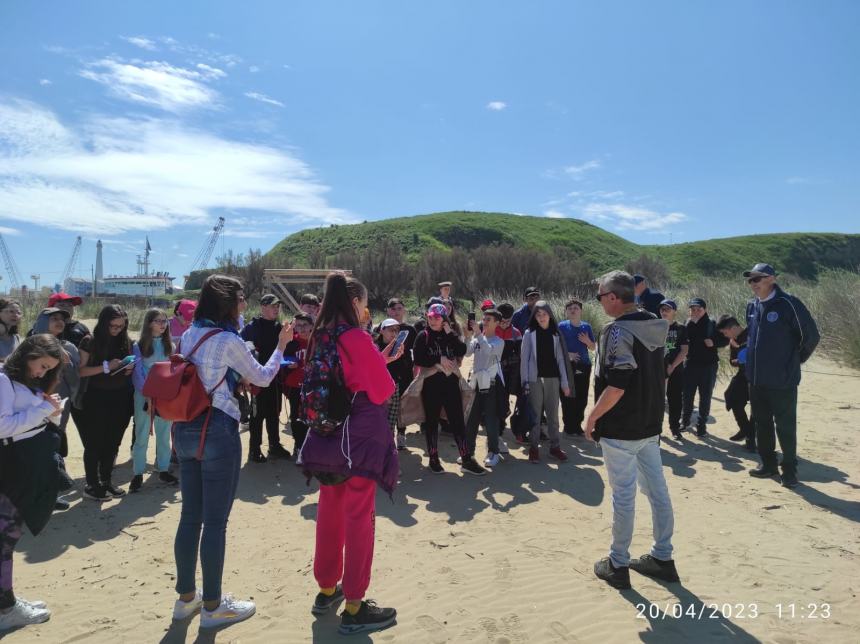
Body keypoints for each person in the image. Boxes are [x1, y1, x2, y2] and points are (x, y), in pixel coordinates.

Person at [171, 275, 292, 628]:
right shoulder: (227, 338)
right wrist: (282, 345)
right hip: (218, 429)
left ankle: (186, 599)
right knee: (215, 523)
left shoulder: (191, 333)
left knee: (190, 516)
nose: (244, 304)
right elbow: (265, 377)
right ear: (227, 303)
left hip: (185, 427)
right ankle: (212, 607)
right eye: (240, 298)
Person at [296, 272, 399, 635]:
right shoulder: (355, 336)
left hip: (325, 437)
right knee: (359, 516)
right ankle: (355, 604)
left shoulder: (320, 335)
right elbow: (382, 388)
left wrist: (374, 358)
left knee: (330, 510)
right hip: (357, 442)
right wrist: (376, 359)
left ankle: (327, 588)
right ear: (355, 303)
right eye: (365, 304)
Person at [586, 270, 678, 590]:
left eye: (600, 296)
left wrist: (592, 417)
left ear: (613, 297)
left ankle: (618, 562)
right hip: (650, 424)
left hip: (622, 428)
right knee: (658, 492)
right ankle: (663, 557)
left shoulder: (616, 331)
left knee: (624, 496)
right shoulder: (654, 323)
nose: (599, 302)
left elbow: (617, 385)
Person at [0, 335, 66, 631]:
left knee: (8, 536)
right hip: (13, 466)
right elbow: (3, 426)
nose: (41, 372)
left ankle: (7, 601)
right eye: (42, 365)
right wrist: (43, 410)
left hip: (23, 465)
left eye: (48, 369)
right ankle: (6, 608)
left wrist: (48, 411)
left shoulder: (21, 382)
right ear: (29, 354)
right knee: (6, 537)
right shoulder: (3, 379)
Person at [743, 263, 819, 488]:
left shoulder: (789, 304)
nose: (753, 284)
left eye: (758, 279)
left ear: (772, 279)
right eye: (750, 280)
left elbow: (810, 336)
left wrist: (794, 362)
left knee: (785, 426)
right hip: (756, 380)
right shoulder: (752, 306)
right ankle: (768, 465)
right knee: (762, 424)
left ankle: (789, 471)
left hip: (782, 380)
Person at [70, 305, 135, 501]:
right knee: (95, 443)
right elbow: (80, 371)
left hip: (121, 396)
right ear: (104, 322)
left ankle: (106, 482)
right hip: (95, 397)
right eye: (113, 326)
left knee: (113, 442)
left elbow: (127, 362)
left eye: (121, 326)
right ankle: (92, 485)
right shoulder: (90, 341)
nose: (116, 330)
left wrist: (128, 367)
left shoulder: (126, 341)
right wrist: (106, 366)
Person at [412, 303, 485, 475]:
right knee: (431, 422)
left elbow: (461, 349)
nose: (432, 320)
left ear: (444, 319)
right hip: (431, 385)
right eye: (430, 317)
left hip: (451, 384)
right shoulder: (423, 336)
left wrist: (449, 333)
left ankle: (466, 459)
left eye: (437, 318)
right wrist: (439, 359)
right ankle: (433, 458)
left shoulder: (450, 335)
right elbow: (418, 358)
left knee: (458, 420)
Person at [31, 308, 80, 509]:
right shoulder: (29, 345)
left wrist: (66, 364)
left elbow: (75, 380)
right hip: (31, 407)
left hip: (58, 407)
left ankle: (52, 495)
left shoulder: (69, 347)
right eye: (54, 318)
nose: (60, 322)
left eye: (63, 319)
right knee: (32, 449)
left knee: (54, 446)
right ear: (43, 321)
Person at [130, 309, 178, 493]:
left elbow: (172, 372)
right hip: (143, 395)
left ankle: (163, 469)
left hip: (164, 396)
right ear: (149, 323)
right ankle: (138, 472)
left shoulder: (170, 346)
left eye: (164, 321)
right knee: (142, 434)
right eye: (158, 321)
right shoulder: (139, 345)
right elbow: (138, 373)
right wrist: (148, 394)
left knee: (164, 433)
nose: (162, 324)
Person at [520, 300, 572, 464]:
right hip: (534, 380)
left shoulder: (556, 334)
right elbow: (524, 359)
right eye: (538, 314)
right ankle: (534, 448)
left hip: (553, 379)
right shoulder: (529, 333)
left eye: (544, 314)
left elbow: (561, 360)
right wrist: (525, 382)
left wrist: (564, 382)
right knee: (535, 415)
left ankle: (554, 447)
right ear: (534, 316)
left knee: (553, 415)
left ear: (550, 314)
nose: (541, 317)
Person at [241, 294, 291, 463]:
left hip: (275, 379)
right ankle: (254, 450)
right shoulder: (251, 327)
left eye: (278, 306)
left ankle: (274, 445)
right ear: (263, 307)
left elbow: (286, 350)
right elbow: (242, 353)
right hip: (256, 379)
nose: (276, 309)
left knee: (273, 413)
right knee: (257, 416)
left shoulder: (279, 327)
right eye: (272, 306)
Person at [465, 308, 505, 467]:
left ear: (497, 323)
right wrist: (468, 337)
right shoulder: (477, 339)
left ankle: (494, 452)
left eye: (489, 319)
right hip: (475, 384)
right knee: (471, 420)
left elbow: (488, 351)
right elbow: (467, 353)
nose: (485, 322)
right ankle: (469, 452)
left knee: (491, 420)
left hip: (491, 386)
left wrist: (478, 334)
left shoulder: (499, 342)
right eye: (484, 318)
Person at [681, 298, 725, 436]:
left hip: (709, 366)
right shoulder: (687, 323)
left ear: (704, 310)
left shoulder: (712, 323)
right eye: (692, 309)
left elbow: (725, 339)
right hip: (690, 364)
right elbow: (681, 341)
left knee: (705, 396)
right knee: (687, 395)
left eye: (698, 309)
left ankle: (701, 425)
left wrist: (714, 342)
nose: (695, 312)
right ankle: (685, 421)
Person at [716, 315, 755, 451]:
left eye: (725, 332)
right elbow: (733, 361)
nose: (725, 336)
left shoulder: (752, 334)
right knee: (732, 397)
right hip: (743, 375)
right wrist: (738, 358)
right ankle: (745, 429)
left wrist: (745, 355)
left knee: (755, 408)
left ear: (733, 328)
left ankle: (751, 440)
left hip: (756, 376)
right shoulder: (733, 340)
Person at [557, 299, 595, 435]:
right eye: (570, 308)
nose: (573, 310)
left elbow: (593, 347)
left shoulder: (587, 327)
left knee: (582, 397)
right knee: (567, 397)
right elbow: (556, 346)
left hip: (584, 365)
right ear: (566, 312)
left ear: (581, 311)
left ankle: (577, 425)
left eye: (576, 308)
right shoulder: (561, 326)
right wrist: (568, 355)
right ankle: (568, 426)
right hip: (567, 366)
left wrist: (587, 341)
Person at [383, 298, 416, 448]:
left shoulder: (410, 330)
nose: (396, 312)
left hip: (405, 371)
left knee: (402, 404)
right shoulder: (383, 328)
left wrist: (416, 372)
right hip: (386, 372)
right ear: (388, 311)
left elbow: (415, 352)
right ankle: (387, 436)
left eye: (399, 309)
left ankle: (401, 434)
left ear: (404, 310)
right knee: (387, 406)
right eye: (393, 309)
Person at [375, 318, 410, 448]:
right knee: (378, 421)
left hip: (394, 386)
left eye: (396, 330)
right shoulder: (374, 347)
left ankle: (388, 453)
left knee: (391, 421)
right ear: (382, 330)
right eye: (390, 329)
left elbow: (404, 368)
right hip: (378, 389)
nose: (394, 333)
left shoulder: (400, 348)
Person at [282, 313, 313, 454]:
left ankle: (310, 444)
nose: (302, 329)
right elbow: (281, 361)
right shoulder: (291, 342)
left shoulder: (317, 342)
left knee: (312, 416)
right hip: (294, 386)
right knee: (296, 416)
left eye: (305, 325)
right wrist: (288, 366)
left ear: (312, 326)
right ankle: (299, 444)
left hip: (313, 387)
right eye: (298, 325)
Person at [659, 300, 689, 440]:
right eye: (662, 309)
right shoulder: (655, 326)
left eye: (668, 309)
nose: (664, 312)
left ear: (674, 311)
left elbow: (684, 350)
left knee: (675, 400)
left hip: (675, 369)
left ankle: (675, 428)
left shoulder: (681, 328)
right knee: (657, 400)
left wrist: (672, 366)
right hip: (657, 369)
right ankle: (655, 429)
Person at [496, 303, 524, 443]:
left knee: (508, 398)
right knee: (499, 400)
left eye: (508, 321)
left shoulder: (516, 333)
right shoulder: (491, 330)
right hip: (495, 372)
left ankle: (516, 427)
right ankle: (498, 428)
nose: (505, 324)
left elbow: (520, 354)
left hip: (510, 372)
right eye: (502, 321)